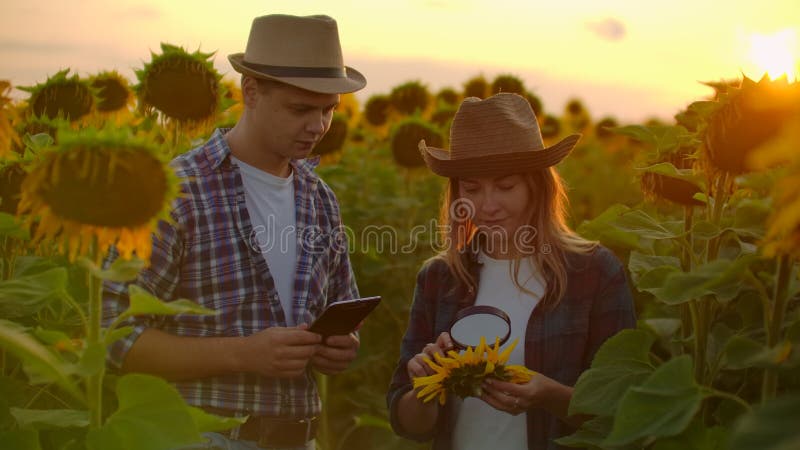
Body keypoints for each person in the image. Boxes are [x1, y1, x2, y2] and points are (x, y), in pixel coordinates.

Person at [103, 14, 366, 450]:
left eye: (328, 110)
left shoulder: (320, 200)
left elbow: (342, 310)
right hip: (200, 437)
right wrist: (242, 353)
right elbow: (113, 337)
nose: (318, 126)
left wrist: (339, 347)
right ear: (250, 92)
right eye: (300, 109)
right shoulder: (176, 191)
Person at [387, 93, 636, 450]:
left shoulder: (593, 273)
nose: (487, 206)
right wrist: (428, 385)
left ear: (538, 187)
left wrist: (549, 395)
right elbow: (407, 422)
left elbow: (623, 408)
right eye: (472, 189)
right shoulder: (440, 277)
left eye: (505, 186)